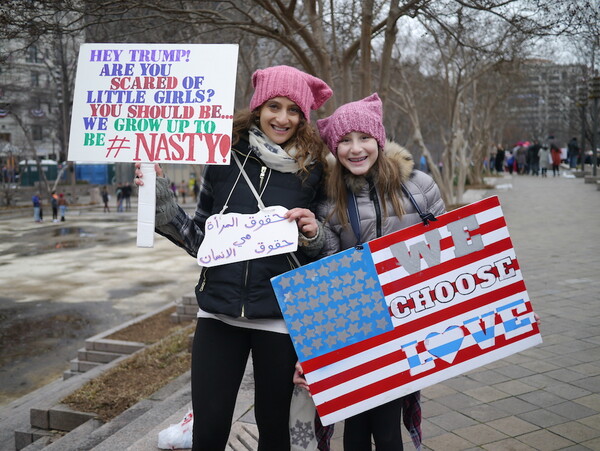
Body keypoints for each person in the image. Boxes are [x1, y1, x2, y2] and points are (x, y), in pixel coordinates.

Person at [135, 65, 332, 450]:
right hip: (217, 315)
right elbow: (198, 241)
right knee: (207, 431)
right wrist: (159, 199)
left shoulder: (317, 171)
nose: (282, 117)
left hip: (280, 319)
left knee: (276, 432)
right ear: (257, 108)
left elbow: (325, 253)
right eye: (273, 106)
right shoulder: (223, 158)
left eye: (293, 110)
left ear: (304, 118)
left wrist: (313, 234)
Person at [294, 93, 445, 451]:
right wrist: (314, 236)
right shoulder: (330, 200)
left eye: (363, 138)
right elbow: (327, 262)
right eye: (345, 141)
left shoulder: (419, 187)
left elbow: (445, 248)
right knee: (356, 427)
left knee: (389, 428)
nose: (355, 148)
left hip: (406, 324)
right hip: (355, 327)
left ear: (379, 140)